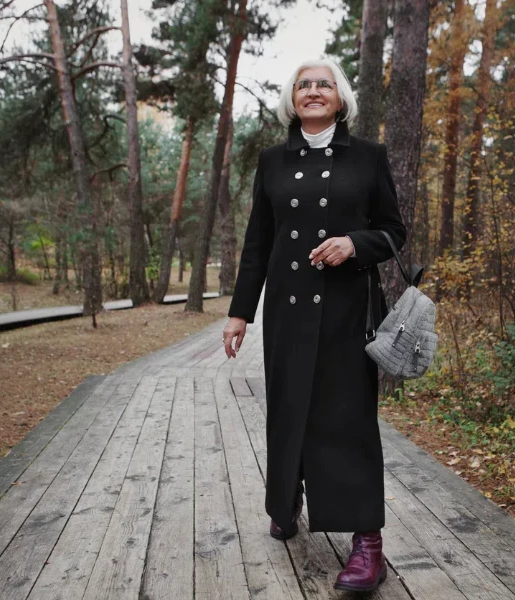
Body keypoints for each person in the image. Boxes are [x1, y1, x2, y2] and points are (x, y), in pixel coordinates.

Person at [221, 57, 406, 593]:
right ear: (292, 99)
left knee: (348, 418)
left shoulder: (369, 156)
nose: (313, 91)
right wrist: (240, 312)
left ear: (340, 97)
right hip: (287, 310)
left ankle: (367, 543)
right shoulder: (272, 161)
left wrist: (356, 244)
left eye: (323, 83)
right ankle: (286, 502)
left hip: (349, 312)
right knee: (287, 408)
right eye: (304, 85)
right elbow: (258, 242)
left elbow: (395, 230)